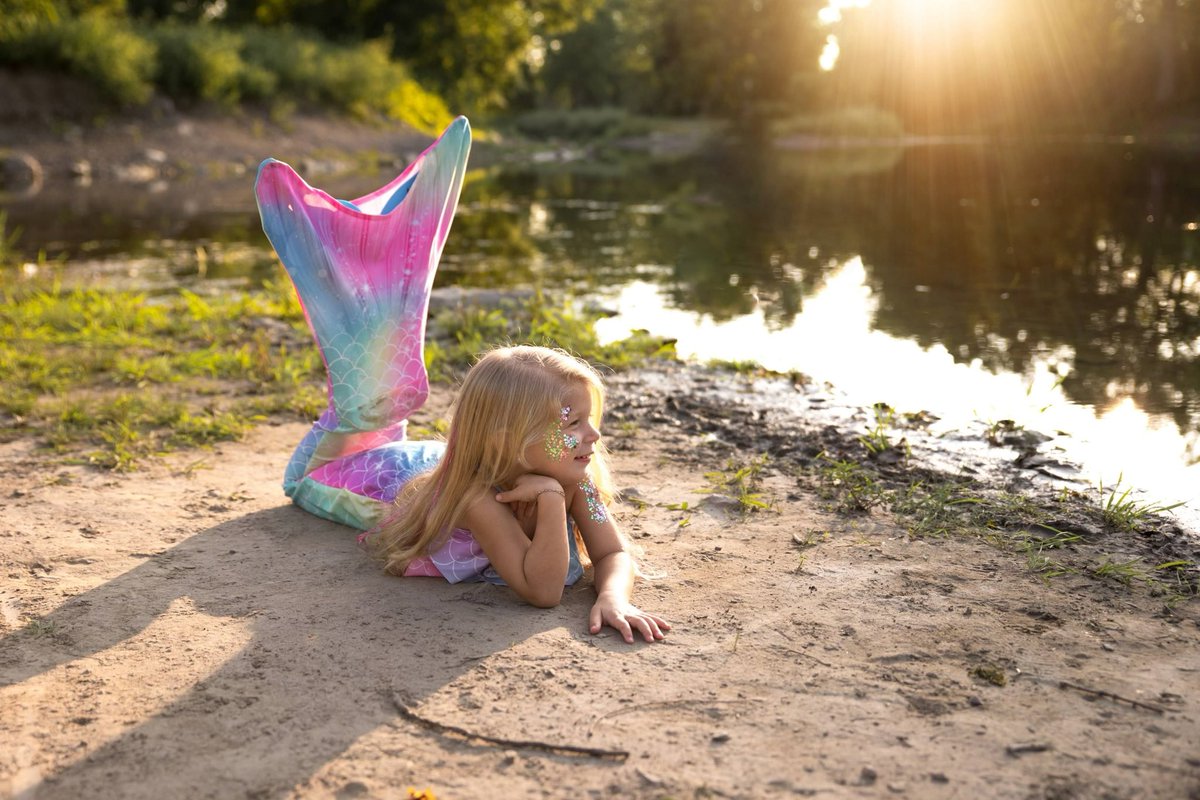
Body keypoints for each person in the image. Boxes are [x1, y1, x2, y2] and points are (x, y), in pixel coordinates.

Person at [255, 118, 668, 643]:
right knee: (354, 421)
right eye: (573, 422)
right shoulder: (478, 497)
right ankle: (359, 398)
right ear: (509, 438)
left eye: (589, 420)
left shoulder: (575, 479)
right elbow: (541, 592)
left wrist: (614, 595)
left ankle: (381, 411)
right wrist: (544, 499)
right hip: (336, 472)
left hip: (426, 461)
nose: (594, 436)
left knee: (388, 418)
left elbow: (611, 552)